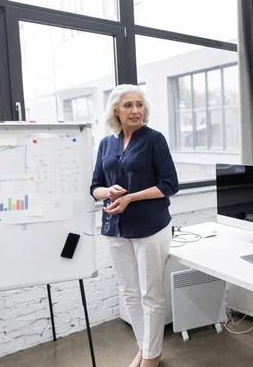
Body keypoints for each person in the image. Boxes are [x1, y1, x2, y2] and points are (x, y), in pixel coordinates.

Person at [90, 84, 179, 367]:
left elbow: (169, 184)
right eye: (128, 105)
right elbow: (94, 187)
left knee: (150, 295)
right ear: (116, 109)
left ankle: (151, 358)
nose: (136, 110)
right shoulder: (106, 143)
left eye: (139, 104)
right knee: (129, 292)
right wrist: (109, 193)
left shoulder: (154, 139)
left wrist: (130, 197)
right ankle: (145, 348)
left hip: (151, 228)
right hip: (115, 228)